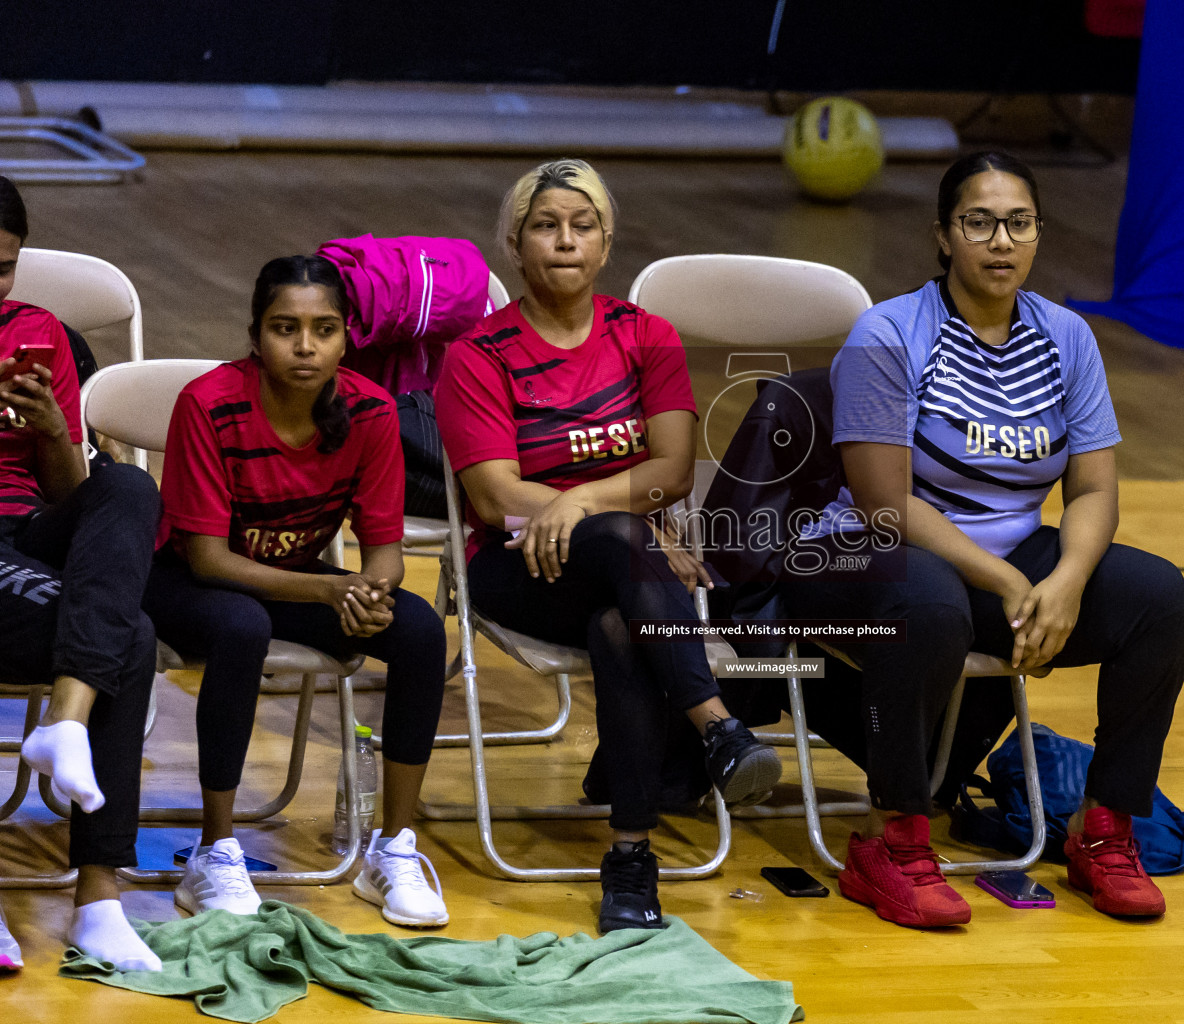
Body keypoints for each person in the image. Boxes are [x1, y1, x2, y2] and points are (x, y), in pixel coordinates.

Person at [781, 151, 1184, 926]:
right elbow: (883, 502)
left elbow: (1096, 489)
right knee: (933, 603)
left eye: (1018, 224)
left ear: (1038, 235)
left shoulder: (1067, 336)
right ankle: (894, 843)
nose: (1000, 241)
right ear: (943, 236)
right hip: (861, 556)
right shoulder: (889, 331)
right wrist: (1011, 586)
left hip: (1004, 560)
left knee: (1161, 601)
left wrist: (1067, 580)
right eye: (979, 223)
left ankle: (1102, 830)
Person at [434, 158, 781, 934]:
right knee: (627, 540)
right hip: (520, 567)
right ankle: (717, 728)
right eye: (545, 227)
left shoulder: (646, 336)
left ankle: (630, 859)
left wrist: (588, 501)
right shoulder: (479, 354)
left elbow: (672, 470)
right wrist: (606, 518)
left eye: (581, 226)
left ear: (606, 241)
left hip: (628, 571)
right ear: (514, 246)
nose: (565, 241)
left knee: (622, 630)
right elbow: (493, 496)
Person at [142, 255, 450, 927]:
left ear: (347, 337)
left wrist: (371, 590)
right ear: (256, 335)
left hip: (292, 583)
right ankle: (215, 853)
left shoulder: (369, 410)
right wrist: (327, 593)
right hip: (184, 581)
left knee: (422, 629)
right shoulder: (210, 403)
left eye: (324, 329)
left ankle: (392, 849)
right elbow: (208, 559)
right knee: (241, 627)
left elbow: (387, 554)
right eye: (286, 328)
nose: (305, 346)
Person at [0, 174, 162, 971]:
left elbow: (68, 494)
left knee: (128, 484)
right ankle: (98, 899)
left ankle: (65, 722)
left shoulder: (40, 333)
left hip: (28, 530)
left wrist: (58, 432)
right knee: (130, 637)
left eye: (1, 267)